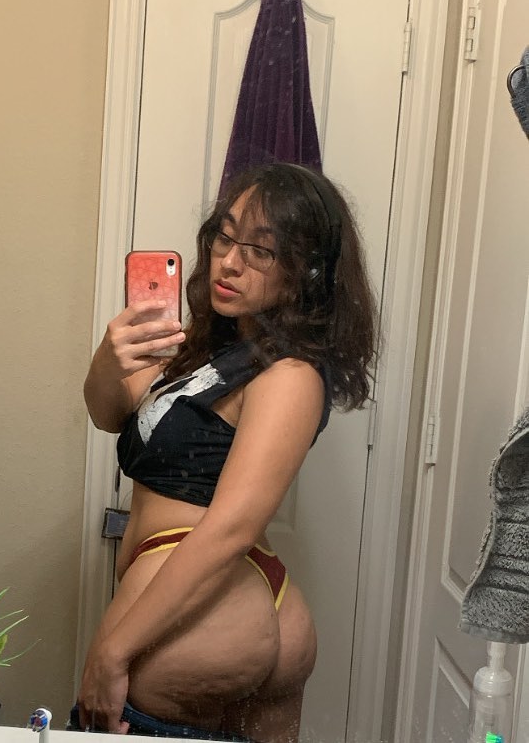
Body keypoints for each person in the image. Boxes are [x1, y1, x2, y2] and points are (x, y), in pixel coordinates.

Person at [75, 163, 377, 742]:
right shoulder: (209, 348)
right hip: (209, 608)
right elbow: (108, 413)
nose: (230, 261)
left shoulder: (290, 374)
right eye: (226, 236)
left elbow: (233, 528)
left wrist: (112, 650)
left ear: (307, 271)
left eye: (260, 250)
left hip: (214, 611)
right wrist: (107, 362)